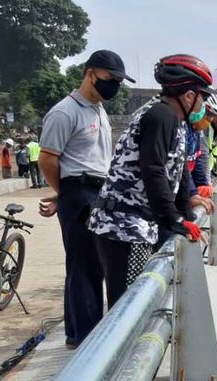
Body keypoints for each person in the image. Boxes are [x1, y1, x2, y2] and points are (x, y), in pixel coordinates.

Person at [88, 54, 215, 306]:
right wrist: (175, 219)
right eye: (202, 97)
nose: (203, 105)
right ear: (188, 96)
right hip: (123, 228)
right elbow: (153, 169)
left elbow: (178, 169)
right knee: (128, 305)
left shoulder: (173, 120)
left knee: (138, 298)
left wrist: (187, 208)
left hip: (136, 225)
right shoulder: (160, 116)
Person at [38, 49, 134, 349]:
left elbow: (87, 159)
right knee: (86, 265)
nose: (114, 85)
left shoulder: (98, 110)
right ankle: (87, 340)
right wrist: (66, 191)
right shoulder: (65, 112)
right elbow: (47, 159)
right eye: (110, 78)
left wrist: (61, 192)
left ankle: (74, 332)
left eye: (119, 81)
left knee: (87, 263)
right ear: (90, 73)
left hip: (95, 191)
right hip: (81, 193)